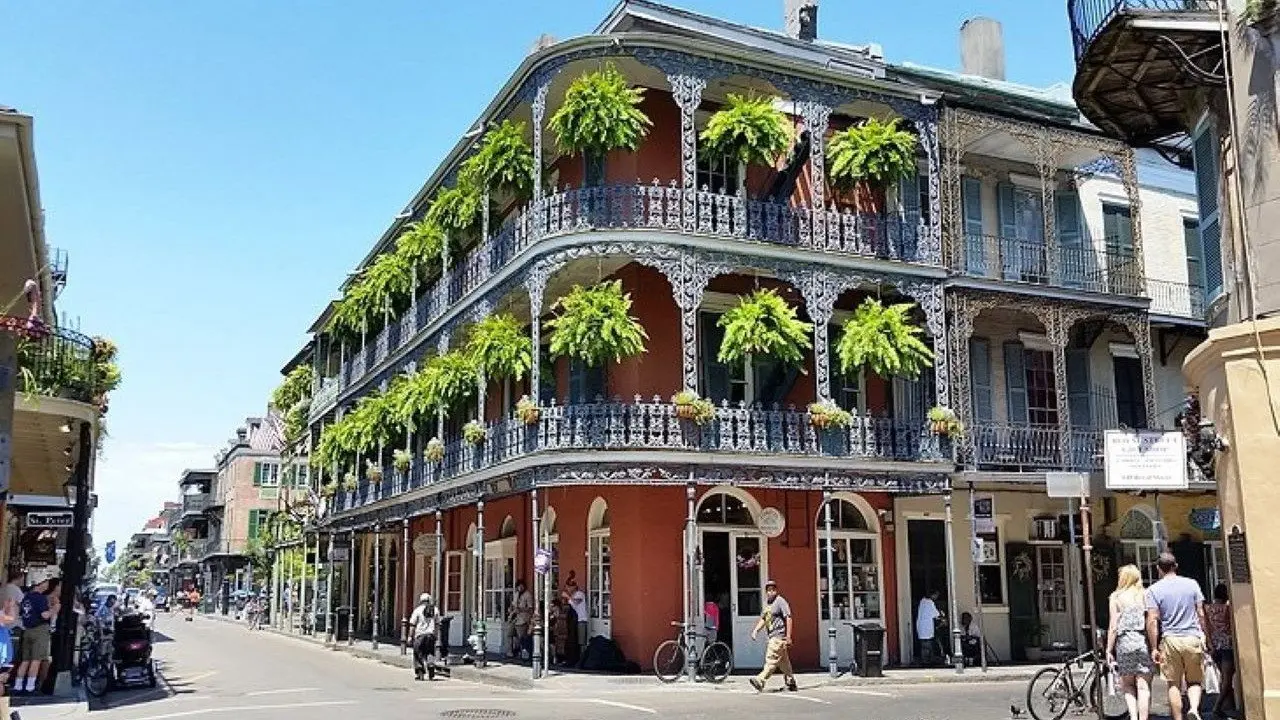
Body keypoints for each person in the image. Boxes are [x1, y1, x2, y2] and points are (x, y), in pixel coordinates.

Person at [1146, 553, 1208, 720]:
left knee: (1173, 683)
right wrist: (1206, 634)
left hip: (1170, 639)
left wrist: (1153, 647)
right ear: (1176, 566)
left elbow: (1152, 620)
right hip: (1192, 637)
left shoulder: (1153, 590)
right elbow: (1201, 613)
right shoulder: (1192, 584)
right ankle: (1194, 709)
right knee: (1194, 681)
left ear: (1158, 569)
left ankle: (1178, 718)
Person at [1106, 564, 1154, 720]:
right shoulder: (1145, 594)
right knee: (1143, 686)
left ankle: (1133, 717)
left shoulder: (1116, 597)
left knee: (1127, 685)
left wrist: (1108, 649)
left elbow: (1113, 625)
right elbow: (1151, 621)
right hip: (1141, 640)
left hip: (1124, 642)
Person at [749, 580, 797, 693]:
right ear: (766, 592)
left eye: (773, 590)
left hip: (778, 636)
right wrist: (756, 630)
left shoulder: (780, 601)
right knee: (783, 662)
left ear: (776, 590)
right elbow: (764, 619)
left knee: (771, 659)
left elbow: (788, 617)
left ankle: (760, 680)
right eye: (769, 590)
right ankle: (791, 683)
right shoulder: (767, 604)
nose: (771, 592)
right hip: (771, 636)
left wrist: (788, 636)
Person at [14, 578, 59, 695]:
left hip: (27, 630)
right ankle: (30, 686)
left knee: (25, 660)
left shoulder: (26, 597)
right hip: (39, 630)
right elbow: (45, 615)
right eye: (45, 582)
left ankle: (18, 685)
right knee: (36, 660)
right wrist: (55, 609)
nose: (47, 585)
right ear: (40, 583)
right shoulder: (40, 598)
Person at [1204, 583, 1235, 719]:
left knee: (1224, 676)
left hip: (1215, 646)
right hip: (1227, 645)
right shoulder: (1227, 608)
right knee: (1227, 679)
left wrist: (1209, 643)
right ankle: (1217, 707)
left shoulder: (1208, 608)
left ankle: (1230, 704)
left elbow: (1206, 627)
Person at [408, 593, 439, 681]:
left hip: (420, 635)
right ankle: (431, 666)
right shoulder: (435, 610)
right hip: (430, 635)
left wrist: (410, 636)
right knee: (430, 652)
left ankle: (420, 672)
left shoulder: (417, 610)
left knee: (418, 653)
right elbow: (437, 624)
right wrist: (436, 635)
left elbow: (412, 625)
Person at [916, 590, 944, 665]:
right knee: (927, 645)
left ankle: (926, 660)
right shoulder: (929, 603)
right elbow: (936, 614)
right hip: (927, 628)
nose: (936, 597)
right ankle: (926, 661)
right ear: (933, 595)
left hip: (921, 627)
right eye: (936, 595)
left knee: (924, 645)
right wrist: (941, 614)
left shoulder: (922, 602)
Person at [507, 580, 533, 659]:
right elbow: (513, 604)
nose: (520, 588)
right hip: (514, 617)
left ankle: (523, 654)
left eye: (521, 586)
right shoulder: (516, 594)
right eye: (518, 586)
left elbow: (530, 609)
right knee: (509, 634)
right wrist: (510, 609)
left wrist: (521, 609)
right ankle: (510, 652)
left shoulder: (528, 595)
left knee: (521, 637)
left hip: (523, 618)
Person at [562, 573, 588, 650]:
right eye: (567, 587)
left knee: (581, 642)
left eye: (569, 587)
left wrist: (567, 596)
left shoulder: (579, 594)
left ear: (574, 587)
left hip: (581, 620)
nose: (567, 589)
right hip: (574, 621)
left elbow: (576, 603)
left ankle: (582, 658)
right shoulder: (571, 596)